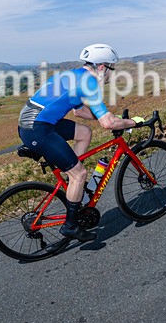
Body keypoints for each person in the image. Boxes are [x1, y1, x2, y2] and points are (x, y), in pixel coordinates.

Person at [17, 43, 142, 242]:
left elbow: (80, 112)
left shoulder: (74, 74)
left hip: (34, 122)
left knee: (84, 132)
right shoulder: (89, 83)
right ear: (102, 67)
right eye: (111, 68)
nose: (111, 74)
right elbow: (107, 123)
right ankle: (70, 225)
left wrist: (111, 118)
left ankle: (72, 184)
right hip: (38, 128)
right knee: (80, 174)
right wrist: (132, 122)